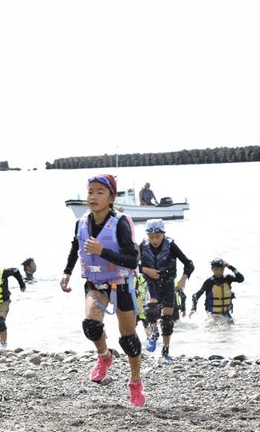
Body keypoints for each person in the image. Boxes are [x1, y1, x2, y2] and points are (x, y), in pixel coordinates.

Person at [60, 174, 145, 407]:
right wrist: (67, 271)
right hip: (95, 284)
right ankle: (104, 356)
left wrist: (102, 251)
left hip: (121, 284)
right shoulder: (82, 222)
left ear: (111, 197)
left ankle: (135, 381)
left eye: (100, 192)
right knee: (91, 325)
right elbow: (75, 246)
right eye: (90, 191)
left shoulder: (120, 223)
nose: (93, 196)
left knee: (128, 340)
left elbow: (131, 260)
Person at [138, 218, 194, 363]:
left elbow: (189, 264)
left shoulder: (171, 245)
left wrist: (183, 280)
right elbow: (131, 262)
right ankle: (153, 334)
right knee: (151, 309)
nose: (154, 240)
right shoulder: (143, 245)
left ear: (164, 234)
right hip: (151, 283)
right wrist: (145, 269)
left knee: (168, 321)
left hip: (168, 284)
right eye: (151, 237)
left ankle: (165, 352)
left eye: (157, 236)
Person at [190, 259, 244, 323]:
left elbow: (241, 279)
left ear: (224, 269)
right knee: (214, 323)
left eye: (221, 269)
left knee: (231, 327)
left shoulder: (228, 278)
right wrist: (193, 308)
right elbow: (196, 295)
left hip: (226, 313)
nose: (218, 271)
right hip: (213, 313)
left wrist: (230, 266)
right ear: (212, 269)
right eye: (216, 269)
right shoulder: (209, 282)